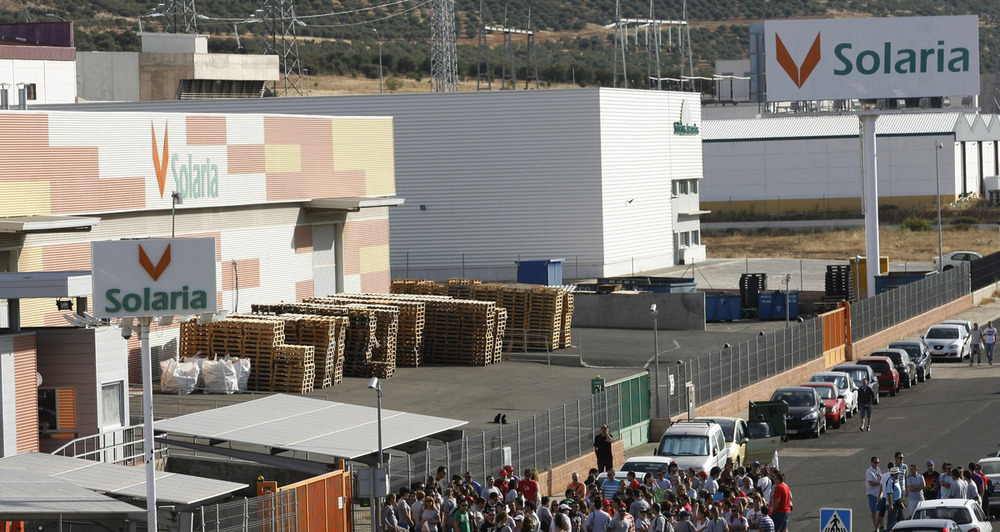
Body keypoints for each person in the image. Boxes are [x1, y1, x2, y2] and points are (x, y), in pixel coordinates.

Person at [881, 467, 903, 532]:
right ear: (894, 474)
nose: (898, 475)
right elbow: (889, 493)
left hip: (897, 503)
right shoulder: (891, 481)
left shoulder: (895, 481)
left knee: (901, 520)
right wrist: (891, 504)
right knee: (892, 522)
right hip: (893, 504)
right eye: (897, 473)